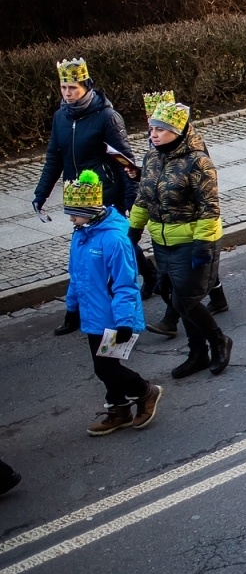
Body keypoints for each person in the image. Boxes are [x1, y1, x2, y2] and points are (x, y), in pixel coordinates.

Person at [129, 99, 231, 380]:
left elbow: (209, 207)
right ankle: (197, 354)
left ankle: (218, 340)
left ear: (177, 131)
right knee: (172, 296)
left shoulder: (198, 162)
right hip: (162, 241)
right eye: (151, 129)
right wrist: (133, 230)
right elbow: (144, 197)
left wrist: (202, 245)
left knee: (186, 299)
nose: (153, 135)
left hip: (192, 241)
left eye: (160, 130)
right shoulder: (151, 158)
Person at [57, 170, 162, 436]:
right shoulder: (81, 234)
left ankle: (145, 391)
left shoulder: (114, 239)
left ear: (90, 211)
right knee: (105, 368)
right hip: (93, 315)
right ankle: (119, 410)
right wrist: (72, 309)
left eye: (75, 213)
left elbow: (125, 283)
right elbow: (77, 276)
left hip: (114, 318)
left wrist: (125, 321)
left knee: (105, 368)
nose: (71, 218)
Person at [35, 57, 136, 220]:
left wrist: (132, 199)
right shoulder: (60, 117)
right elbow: (54, 159)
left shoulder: (108, 117)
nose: (67, 93)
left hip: (105, 195)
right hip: (76, 195)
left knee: (108, 235)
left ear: (87, 87)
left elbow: (124, 160)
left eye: (73, 88)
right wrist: (41, 194)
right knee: (83, 235)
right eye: (63, 87)